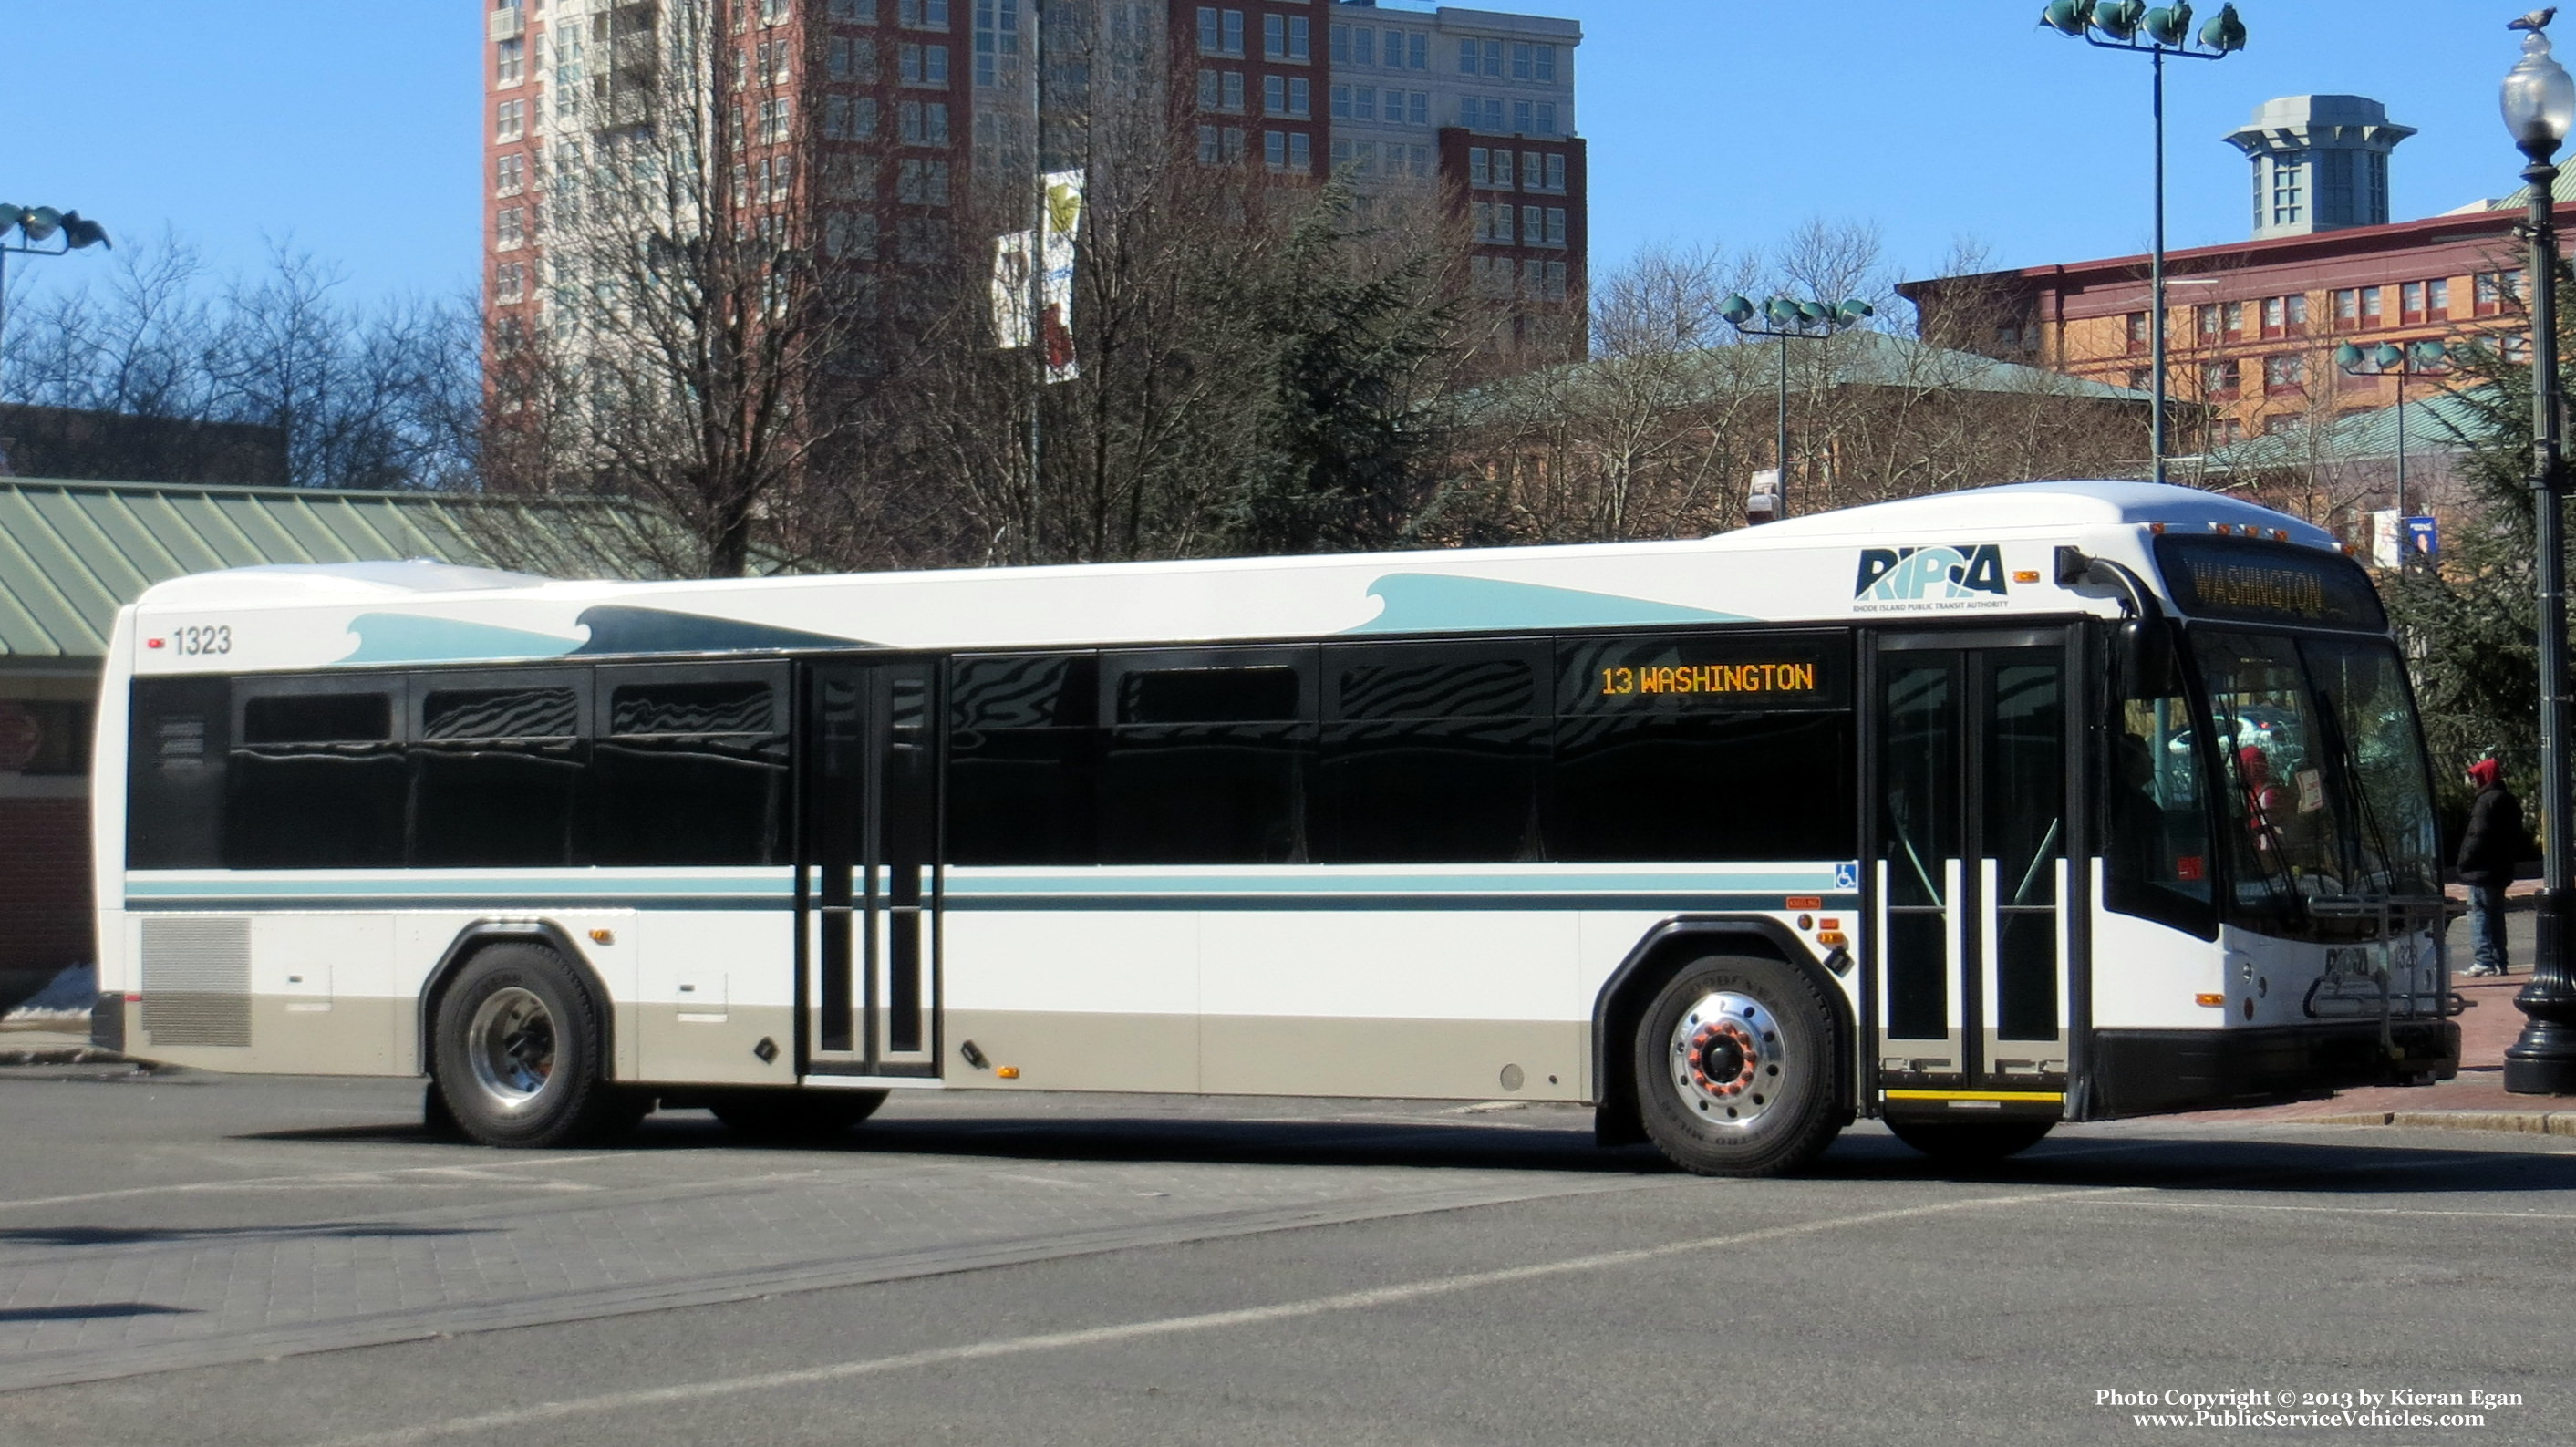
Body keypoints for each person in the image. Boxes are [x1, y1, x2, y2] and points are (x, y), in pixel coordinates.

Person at [2456, 758, 2526, 977]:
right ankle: (2499, 961)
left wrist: (2463, 864)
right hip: (2501, 869)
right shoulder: (2509, 800)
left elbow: (2475, 837)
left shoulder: (2485, 802)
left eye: (2476, 777)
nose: (2474, 782)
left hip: (2481, 870)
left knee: (2479, 914)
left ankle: (2483, 960)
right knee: (2496, 914)